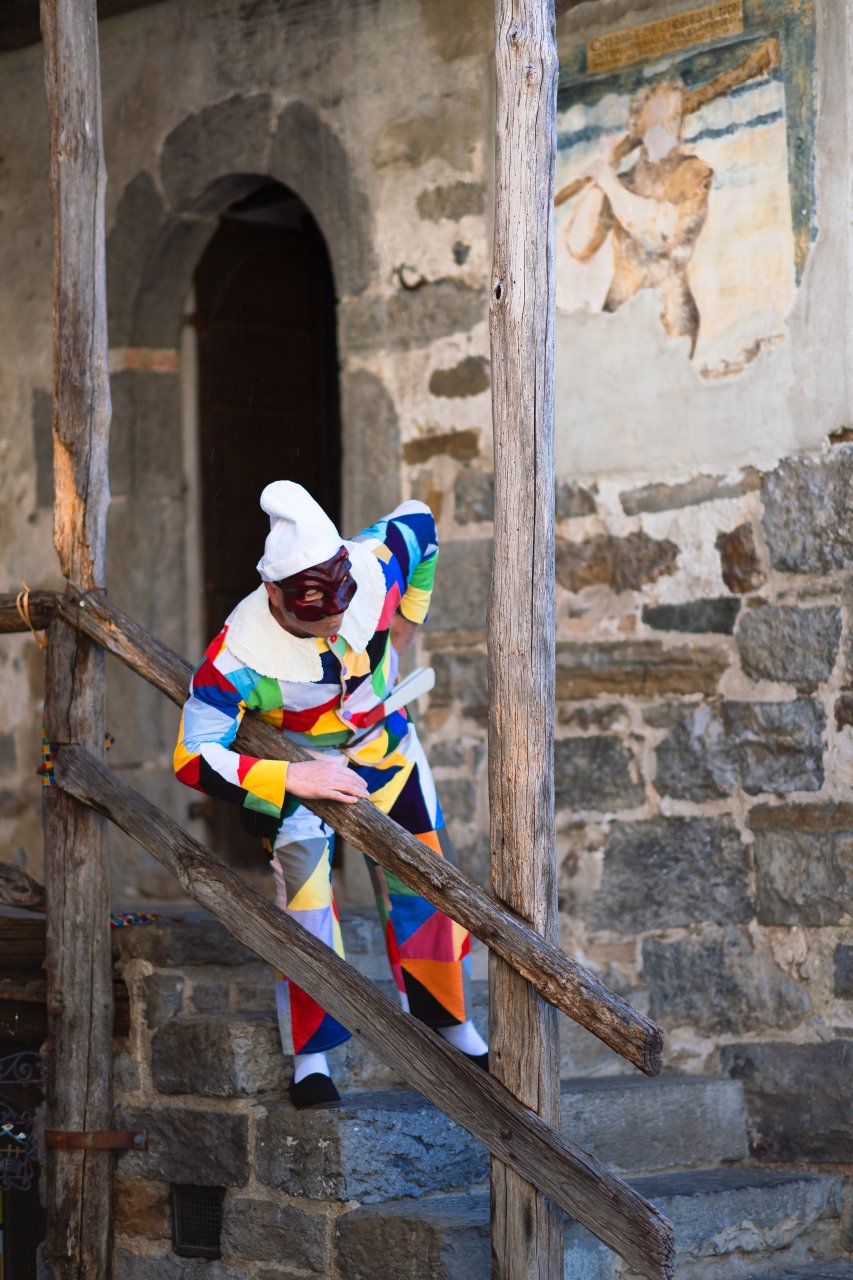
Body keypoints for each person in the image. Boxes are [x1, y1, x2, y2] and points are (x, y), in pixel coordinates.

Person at [174, 481, 487, 1107]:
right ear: (273, 596)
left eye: (341, 615)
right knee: (308, 900)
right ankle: (313, 1054)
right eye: (312, 619)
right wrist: (293, 778)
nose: (333, 630)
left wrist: (406, 622)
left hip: (387, 746)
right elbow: (190, 757)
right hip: (296, 771)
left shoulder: (376, 560)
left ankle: (444, 1015)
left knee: (426, 879)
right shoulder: (233, 658)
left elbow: (421, 523)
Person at [565, 77, 713, 357]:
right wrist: (600, 180)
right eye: (659, 113)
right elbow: (578, 245)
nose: (668, 123)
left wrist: (608, 182)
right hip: (618, 316)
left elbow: (659, 235)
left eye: (674, 114)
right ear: (637, 124)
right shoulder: (622, 182)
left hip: (671, 319)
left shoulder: (695, 173)